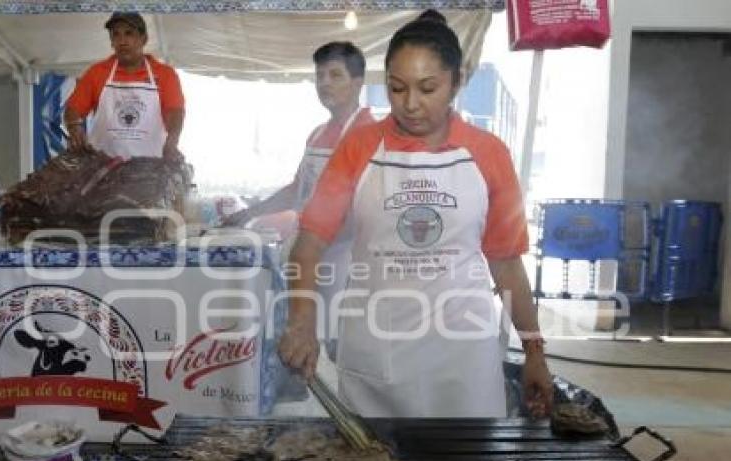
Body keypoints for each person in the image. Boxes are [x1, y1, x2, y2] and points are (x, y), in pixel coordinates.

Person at [278, 10, 553, 419]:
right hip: (378, 346)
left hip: (463, 352)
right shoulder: (358, 148)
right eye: (396, 88)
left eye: (428, 88)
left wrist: (534, 351)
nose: (410, 105)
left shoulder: (489, 153)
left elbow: (507, 264)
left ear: (456, 83)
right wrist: (302, 321)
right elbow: (309, 244)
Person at [225, 41, 374, 361]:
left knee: (335, 343)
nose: (325, 84)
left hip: (344, 259)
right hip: (307, 253)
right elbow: (297, 190)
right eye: (320, 76)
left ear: (358, 82)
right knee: (302, 336)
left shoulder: (368, 134)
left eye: (335, 75)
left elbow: (365, 206)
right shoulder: (318, 133)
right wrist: (249, 213)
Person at [64, 12, 185, 161]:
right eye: (116, 35)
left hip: (150, 168)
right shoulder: (97, 72)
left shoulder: (165, 74)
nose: (122, 41)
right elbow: (73, 109)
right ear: (111, 42)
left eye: (129, 34)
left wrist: (172, 141)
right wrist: (74, 127)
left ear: (144, 39)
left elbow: (175, 113)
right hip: (101, 166)